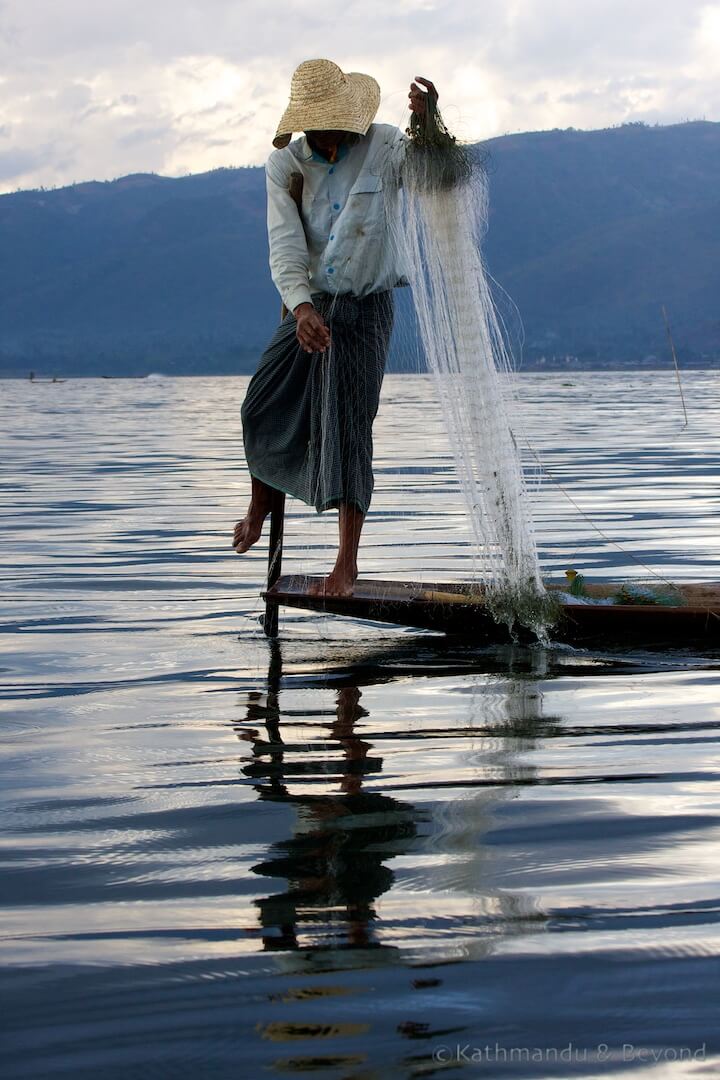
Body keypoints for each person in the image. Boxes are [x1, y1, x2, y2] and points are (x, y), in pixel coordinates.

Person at [233, 58, 437, 597]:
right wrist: (301, 311)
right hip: (308, 303)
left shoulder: (386, 146)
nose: (326, 138)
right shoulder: (287, 165)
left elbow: (440, 171)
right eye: (316, 127)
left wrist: (429, 123)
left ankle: (345, 565)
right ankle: (259, 506)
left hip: (366, 307)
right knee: (263, 405)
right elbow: (285, 246)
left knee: (349, 426)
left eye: (334, 126)